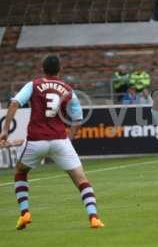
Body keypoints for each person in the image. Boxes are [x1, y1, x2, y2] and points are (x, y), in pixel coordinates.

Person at [0, 55, 104, 230]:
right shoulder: (68, 89)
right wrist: (68, 140)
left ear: (42, 68)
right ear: (60, 69)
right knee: (81, 180)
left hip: (35, 141)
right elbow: (77, 119)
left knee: (20, 171)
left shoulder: (34, 85)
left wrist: (4, 131)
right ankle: (94, 217)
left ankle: (25, 213)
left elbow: (14, 104)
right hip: (59, 140)